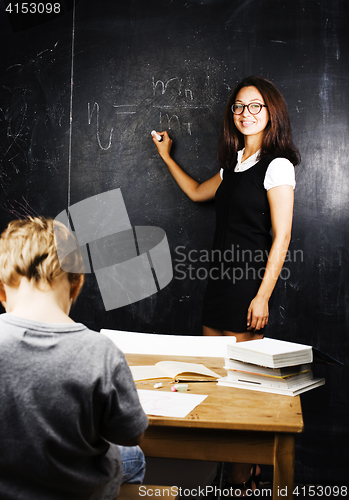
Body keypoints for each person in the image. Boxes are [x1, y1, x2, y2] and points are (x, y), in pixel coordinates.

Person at [152, 75, 300, 491]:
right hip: (217, 284)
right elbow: (199, 193)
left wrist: (263, 296)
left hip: (248, 287)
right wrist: (166, 157)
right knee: (213, 381)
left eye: (255, 106)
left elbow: (283, 235)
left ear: (271, 112)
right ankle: (228, 471)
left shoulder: (278, 165)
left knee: (243, 389)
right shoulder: (234, 161)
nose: (245, 113)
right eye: (238, 106)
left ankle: (242, 472)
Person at [0, 217, 149, 500]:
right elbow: (131, 435)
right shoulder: (101, 352)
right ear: (76, 285)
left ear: (1, 290)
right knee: (135, 456)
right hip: (79, 492)